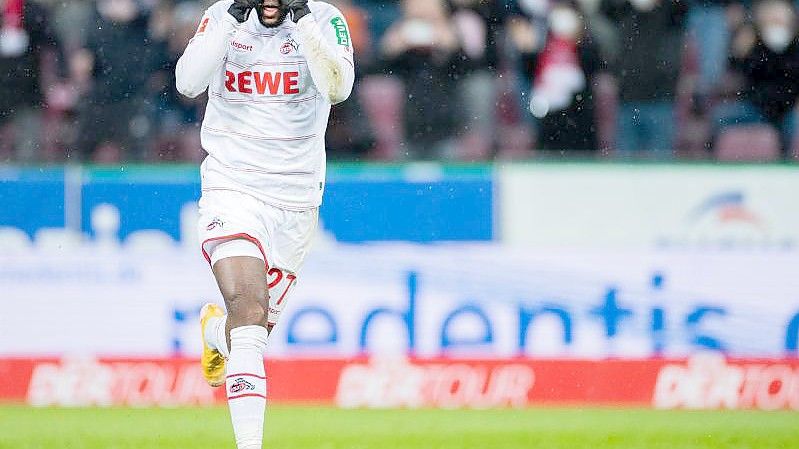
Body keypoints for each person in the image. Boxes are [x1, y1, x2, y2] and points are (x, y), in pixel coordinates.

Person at [175, 0, 354, 448]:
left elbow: (339, 88)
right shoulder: (222, 16)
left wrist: (307, 22)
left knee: (245, 333)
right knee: (251, 315)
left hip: (295, 202)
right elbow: (187, 81)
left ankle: (217, 331)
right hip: (232, 187)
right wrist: (231, 19)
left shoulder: (324, 18)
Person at [601, 0, 688, 158]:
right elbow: (604, 9)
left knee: (662, 168)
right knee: (623, 169)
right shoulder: (623, 10)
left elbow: (683, 7)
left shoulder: (670, 13)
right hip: (627, 101)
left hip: (661, 100)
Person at [715, 0, 799, 159]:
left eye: (779, 12)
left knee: (794, 129)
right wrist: (740, 51)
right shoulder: (751, 39)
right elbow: (737, 71)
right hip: (756, 107)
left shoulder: (796, 44)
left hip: (789, 108)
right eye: (770, 12)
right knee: (719, 118)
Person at [0, 0, 64, 161]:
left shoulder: (33, 11)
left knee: (29, 152)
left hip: (27, 93)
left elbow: (53, 47)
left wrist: (58, 80)